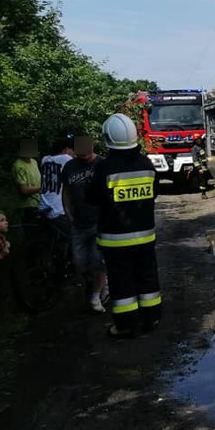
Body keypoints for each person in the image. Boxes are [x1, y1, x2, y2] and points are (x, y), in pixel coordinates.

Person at [87, 113, 162, 338]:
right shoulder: (146, 164)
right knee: (148, 277)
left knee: (122, 282)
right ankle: (151, 318)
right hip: (145, 236)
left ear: (108, 138)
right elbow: (154, 192)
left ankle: (125, 325)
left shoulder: (104, 168)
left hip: (115, 238)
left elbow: (92, 198)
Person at [62, 135, 108, 313]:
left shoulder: (101, 164)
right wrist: (67, 211)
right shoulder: (70, 166)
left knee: (98, 260)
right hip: (78, 222)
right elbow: (66, 191)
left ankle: (96, 295)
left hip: (99, 221)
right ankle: (97, 284)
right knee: (79, 261)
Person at [39, 137, 74, 240]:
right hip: (58, 209)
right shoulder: (66, 158)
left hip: (45, 204)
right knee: (76, 238)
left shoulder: (45, 159)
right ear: (66, 150)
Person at [12, 138, 41, 225]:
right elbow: (24, 190)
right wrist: (43, 187)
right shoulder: (18, 165)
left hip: (38, 203)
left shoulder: (34, 162)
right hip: (26, 206)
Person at [190, 134, 214, 199]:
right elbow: (195, 160)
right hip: (202, 167)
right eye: (197, 140)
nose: (199, 141)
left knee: (213, 179)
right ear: (195, 141)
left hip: (208, 165)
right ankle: (203, 194)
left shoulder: (204, 146)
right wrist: (199, 168)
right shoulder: (194, 148)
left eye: (199, 139)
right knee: (203, 181)